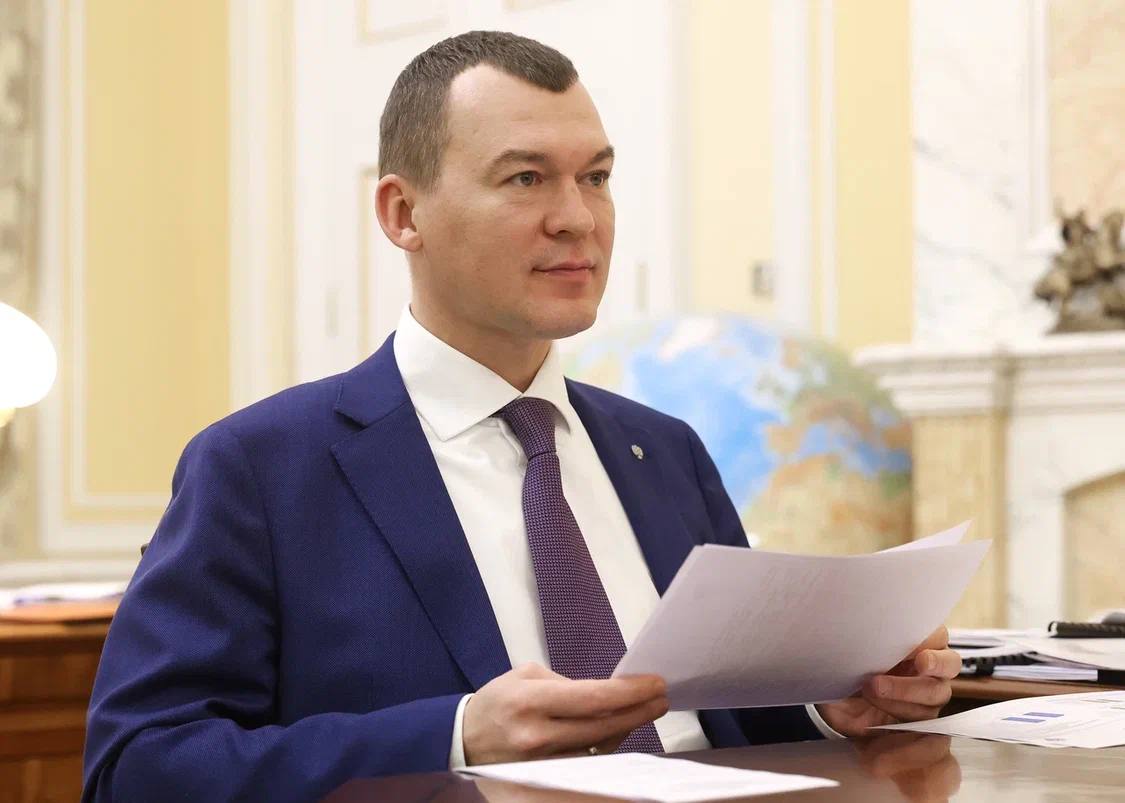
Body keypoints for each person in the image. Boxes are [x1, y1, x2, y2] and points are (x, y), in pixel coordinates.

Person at [82, 31, 960, 802]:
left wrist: (829, 705)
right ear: (402, 213)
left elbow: (719, 715)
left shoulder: (665, 450)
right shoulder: (260, 468)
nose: (577, 219)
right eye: (526, 178)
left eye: (596, 177)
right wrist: (455, 734)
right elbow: (137, 767)